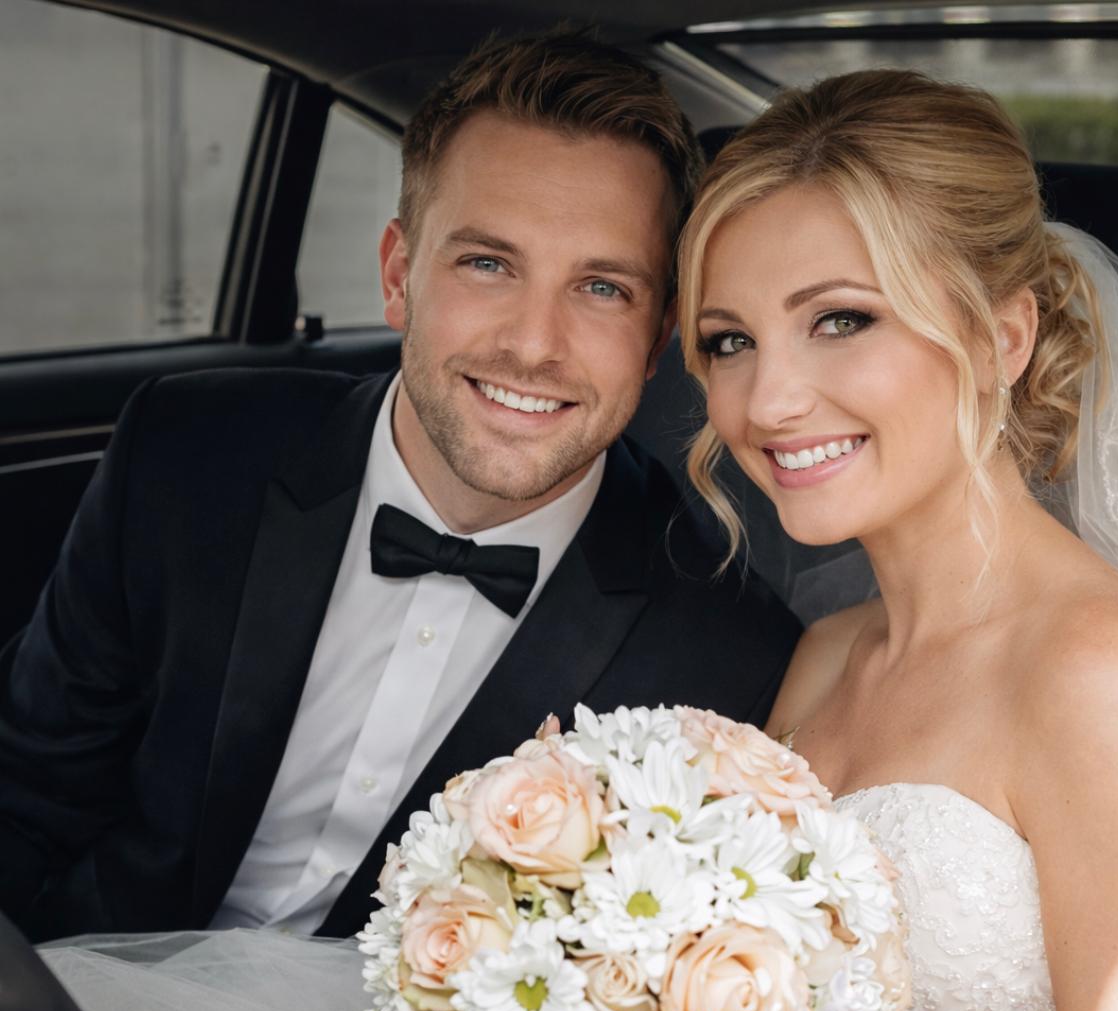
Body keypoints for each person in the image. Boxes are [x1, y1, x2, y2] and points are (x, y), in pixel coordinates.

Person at [0, 29, 800, 948]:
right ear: (397, 275)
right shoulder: (186, 458)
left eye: (602, 288)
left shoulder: (722, 654)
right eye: (488, 264)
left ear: (659, 336)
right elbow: (24, 796)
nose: (534, 344)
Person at [678, 69, 1118, 1011]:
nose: (767, 402)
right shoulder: (826, 655)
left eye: (842, 320)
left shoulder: (1105, 673)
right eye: (730, 341)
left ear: (1000, 338)